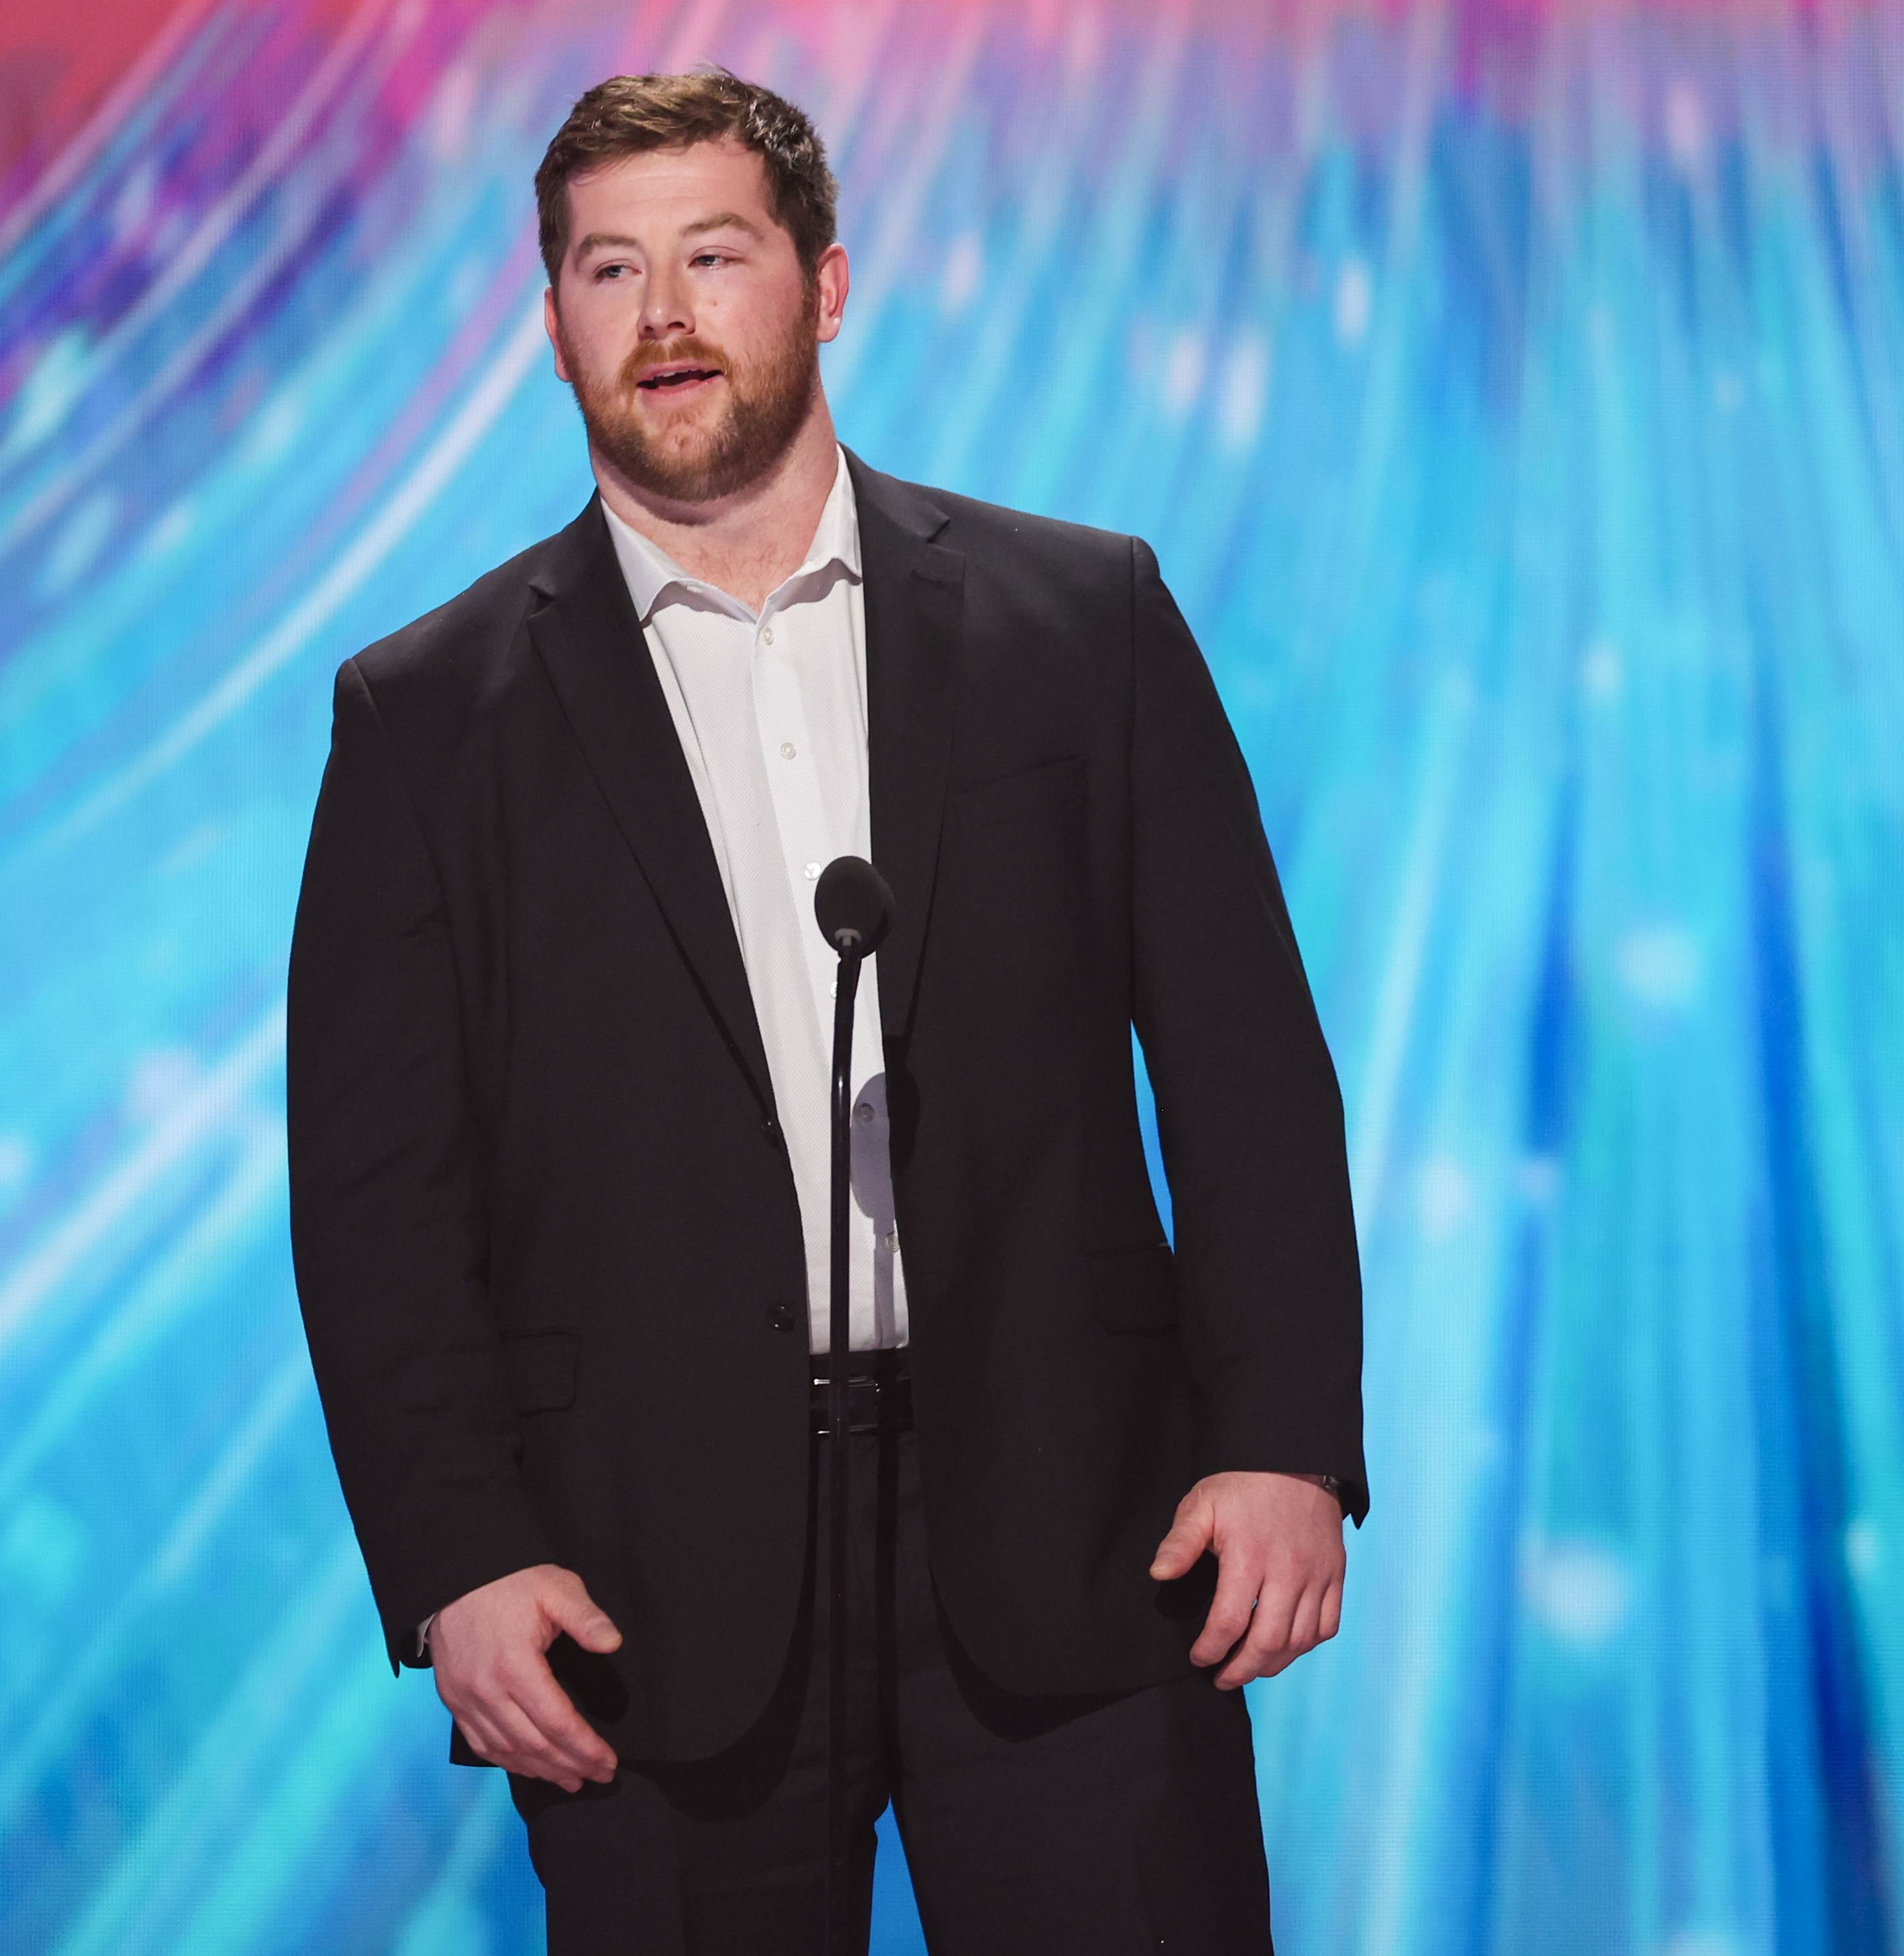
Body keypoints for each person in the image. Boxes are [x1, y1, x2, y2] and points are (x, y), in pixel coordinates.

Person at [287, 67, 1364, 1954]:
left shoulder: (1080, 620)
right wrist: (457, 1555)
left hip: (1076, 1523)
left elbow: (1245, 1062)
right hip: (645, 1573)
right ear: (551, 327)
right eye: (609, 270)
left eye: (713, 255)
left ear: (827, 283)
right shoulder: (426, 718)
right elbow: (378, 1199)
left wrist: (1282, 1436)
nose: (664, 314)